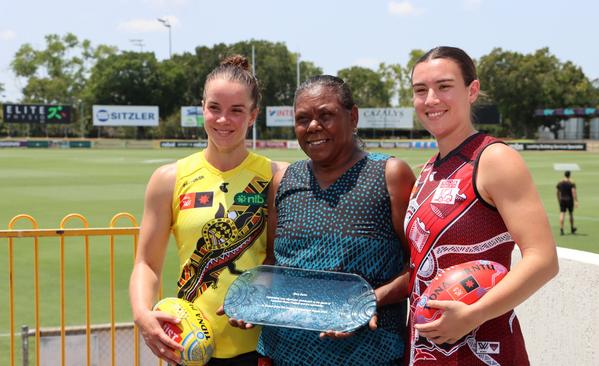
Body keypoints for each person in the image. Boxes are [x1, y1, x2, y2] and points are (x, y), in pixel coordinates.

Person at [404, 46, 559, 365]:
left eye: (444, 86)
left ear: (471, 90)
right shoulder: (428, 169)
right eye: (421, 90)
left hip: (485, 349)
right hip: (427, 351)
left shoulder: (494, 159)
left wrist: (473, 314)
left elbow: (543, 259)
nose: (431, 99)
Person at [129, 55, 286, 366]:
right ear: (202, 107)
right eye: (214, 108)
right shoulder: (168, 179)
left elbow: (281, 260)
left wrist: (256, 299)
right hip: (190, 347)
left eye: (236, 111)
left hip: (263, 348)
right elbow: (146, 263)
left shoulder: (277, 177)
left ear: (253, 115)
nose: (223, 120)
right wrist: (142, 314)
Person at [252, 75, 416, 365]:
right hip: (284, 352)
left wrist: (369, 301)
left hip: (368, 353)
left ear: (352, 117)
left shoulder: (390, 175)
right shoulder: (284, 180)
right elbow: (272, 263)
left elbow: (417, 268)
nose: (313, 126)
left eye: (326, 115)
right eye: (303, 119)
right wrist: (255, 301)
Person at [557, 170, 578, 235]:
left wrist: (558, 199)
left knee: (562, 214)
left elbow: (557, 192)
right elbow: (573, 192)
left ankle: (561, 229)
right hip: (569, 200)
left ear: (564, 175)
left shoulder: (560, 183)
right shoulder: (571, 183)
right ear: (569, 175)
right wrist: (576, 201)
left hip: (562, 199)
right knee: (570, 214)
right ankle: (572, 228)